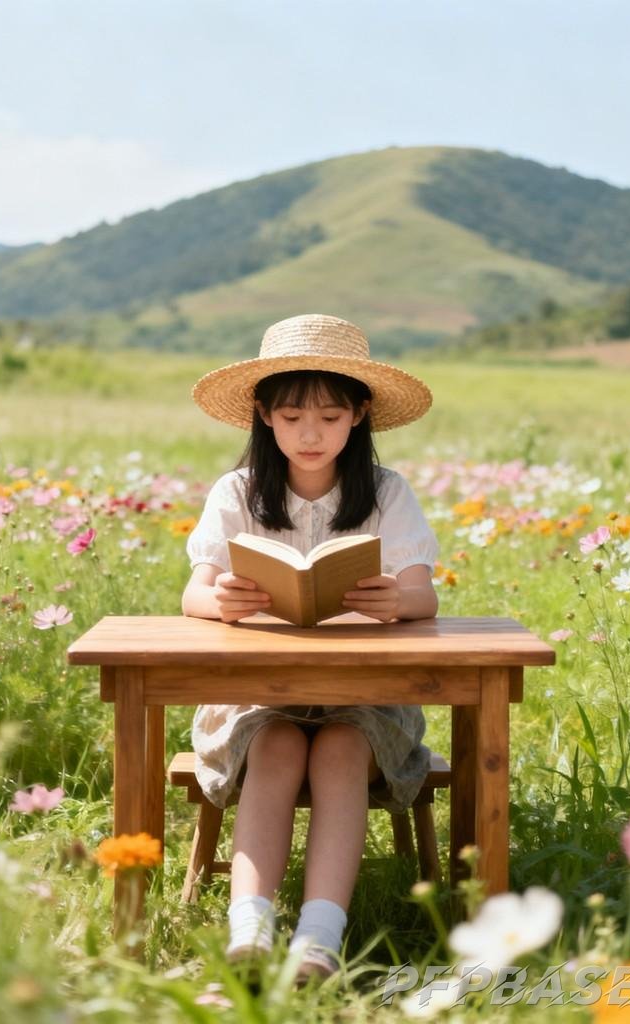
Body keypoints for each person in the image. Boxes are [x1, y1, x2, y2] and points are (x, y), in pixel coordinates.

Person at [181, 313, 440, 981]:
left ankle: (320, 940)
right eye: (293, 415)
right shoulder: (237, 492)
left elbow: (423, 596)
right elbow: (194, 595)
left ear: (359, 416)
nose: (310, 432)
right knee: (279, 744)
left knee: (341, 747)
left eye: (329, 415)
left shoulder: (386, 494)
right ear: (264, 417)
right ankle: (251, 930)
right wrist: (224, 602)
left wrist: (396, 602)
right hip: (255, 701)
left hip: (365, 702)